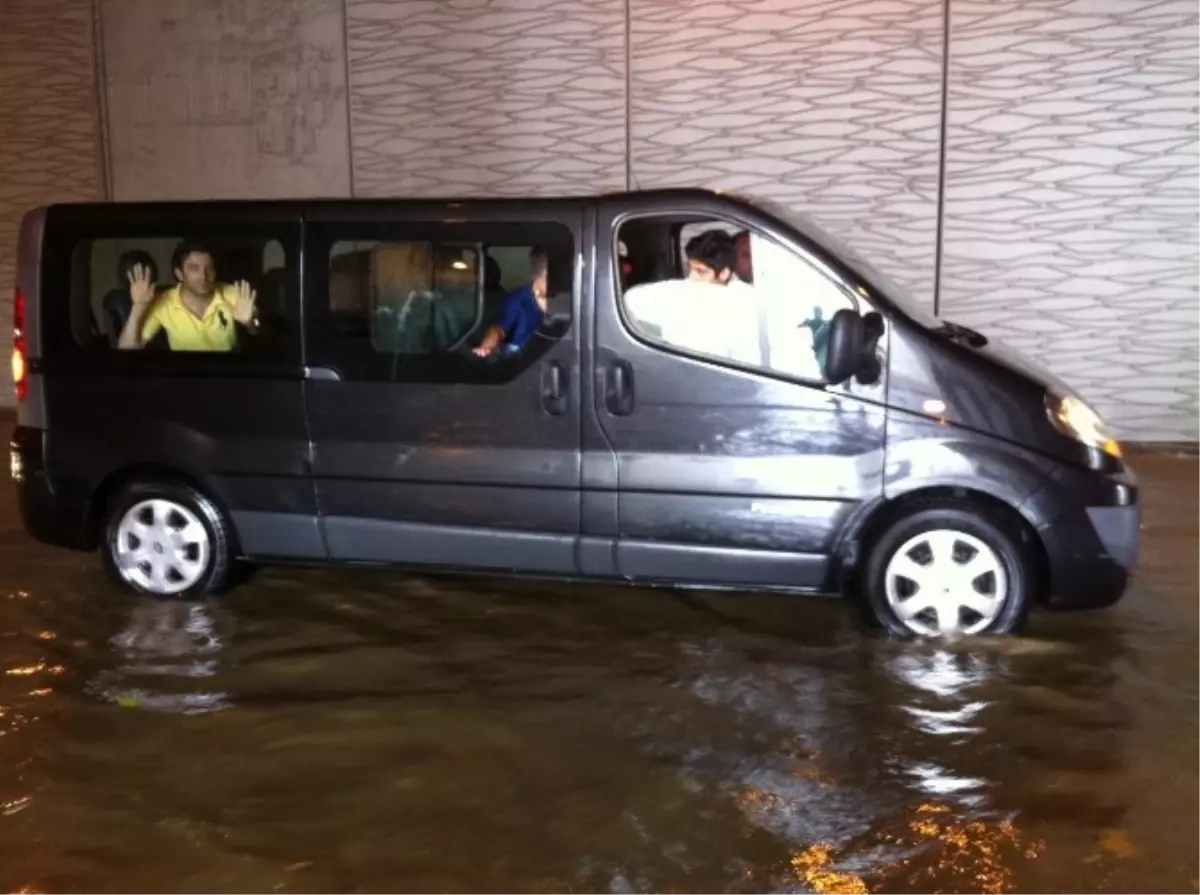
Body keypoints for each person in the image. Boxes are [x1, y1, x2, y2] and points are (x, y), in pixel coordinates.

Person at [118, 239, 258, 351]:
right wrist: (138, 308)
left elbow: (260, 328)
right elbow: (127, 349)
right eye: (194, 268)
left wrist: (251, 322)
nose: (203, 276)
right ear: (179, 274)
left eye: (209, 268)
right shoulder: (163, 302)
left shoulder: (231, 292)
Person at [473, 247, 549, 357]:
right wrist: (487, 346)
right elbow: (498, 329)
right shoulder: (517, 300)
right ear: (535, 275)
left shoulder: (570, 297)